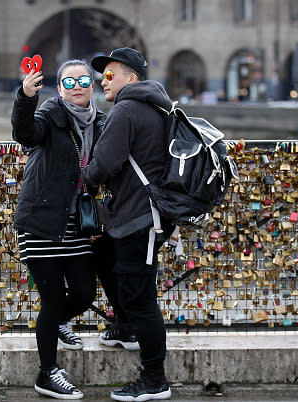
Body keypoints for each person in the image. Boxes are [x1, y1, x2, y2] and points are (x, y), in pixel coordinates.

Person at [11, 59, 106, 400]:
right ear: (60, 89)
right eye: (68, 82)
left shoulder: (103, 123)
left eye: (83, 80)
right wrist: (25, 97)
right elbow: (24, 133)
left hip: (77, 224)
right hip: (40, 221)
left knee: (83, 293)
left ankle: (56, 324)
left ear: (92, 85)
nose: (77, 86)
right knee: (51, 301)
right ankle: (47, 373)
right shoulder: (50, 114)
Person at [85, 48, 174, 401]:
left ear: (132, 78)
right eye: (101, 76)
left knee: (142, 300)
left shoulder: (126, 109)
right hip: (140, 215)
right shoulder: (158, 107)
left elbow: (103, 164)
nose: (102, 81)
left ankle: (155, 379)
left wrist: (83, 174)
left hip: (142, 218)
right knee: (103, 254)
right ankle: (123, 326)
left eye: (110, 75)